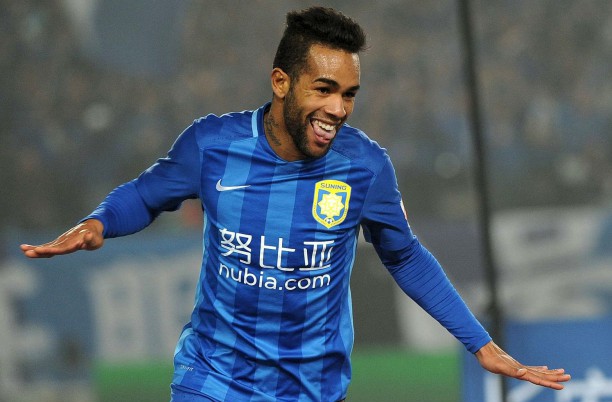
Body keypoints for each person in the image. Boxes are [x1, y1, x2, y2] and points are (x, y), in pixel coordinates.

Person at [21, 6, 570, 402]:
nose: (339, 109)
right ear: (281, 82)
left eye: (349, 95)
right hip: (213, 379)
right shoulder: (213, 146)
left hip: (313, 387)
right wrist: (100, 221)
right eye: (324, 89)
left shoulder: (365, 167)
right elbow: (146, 195)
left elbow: (404, 256)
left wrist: (480, 344)